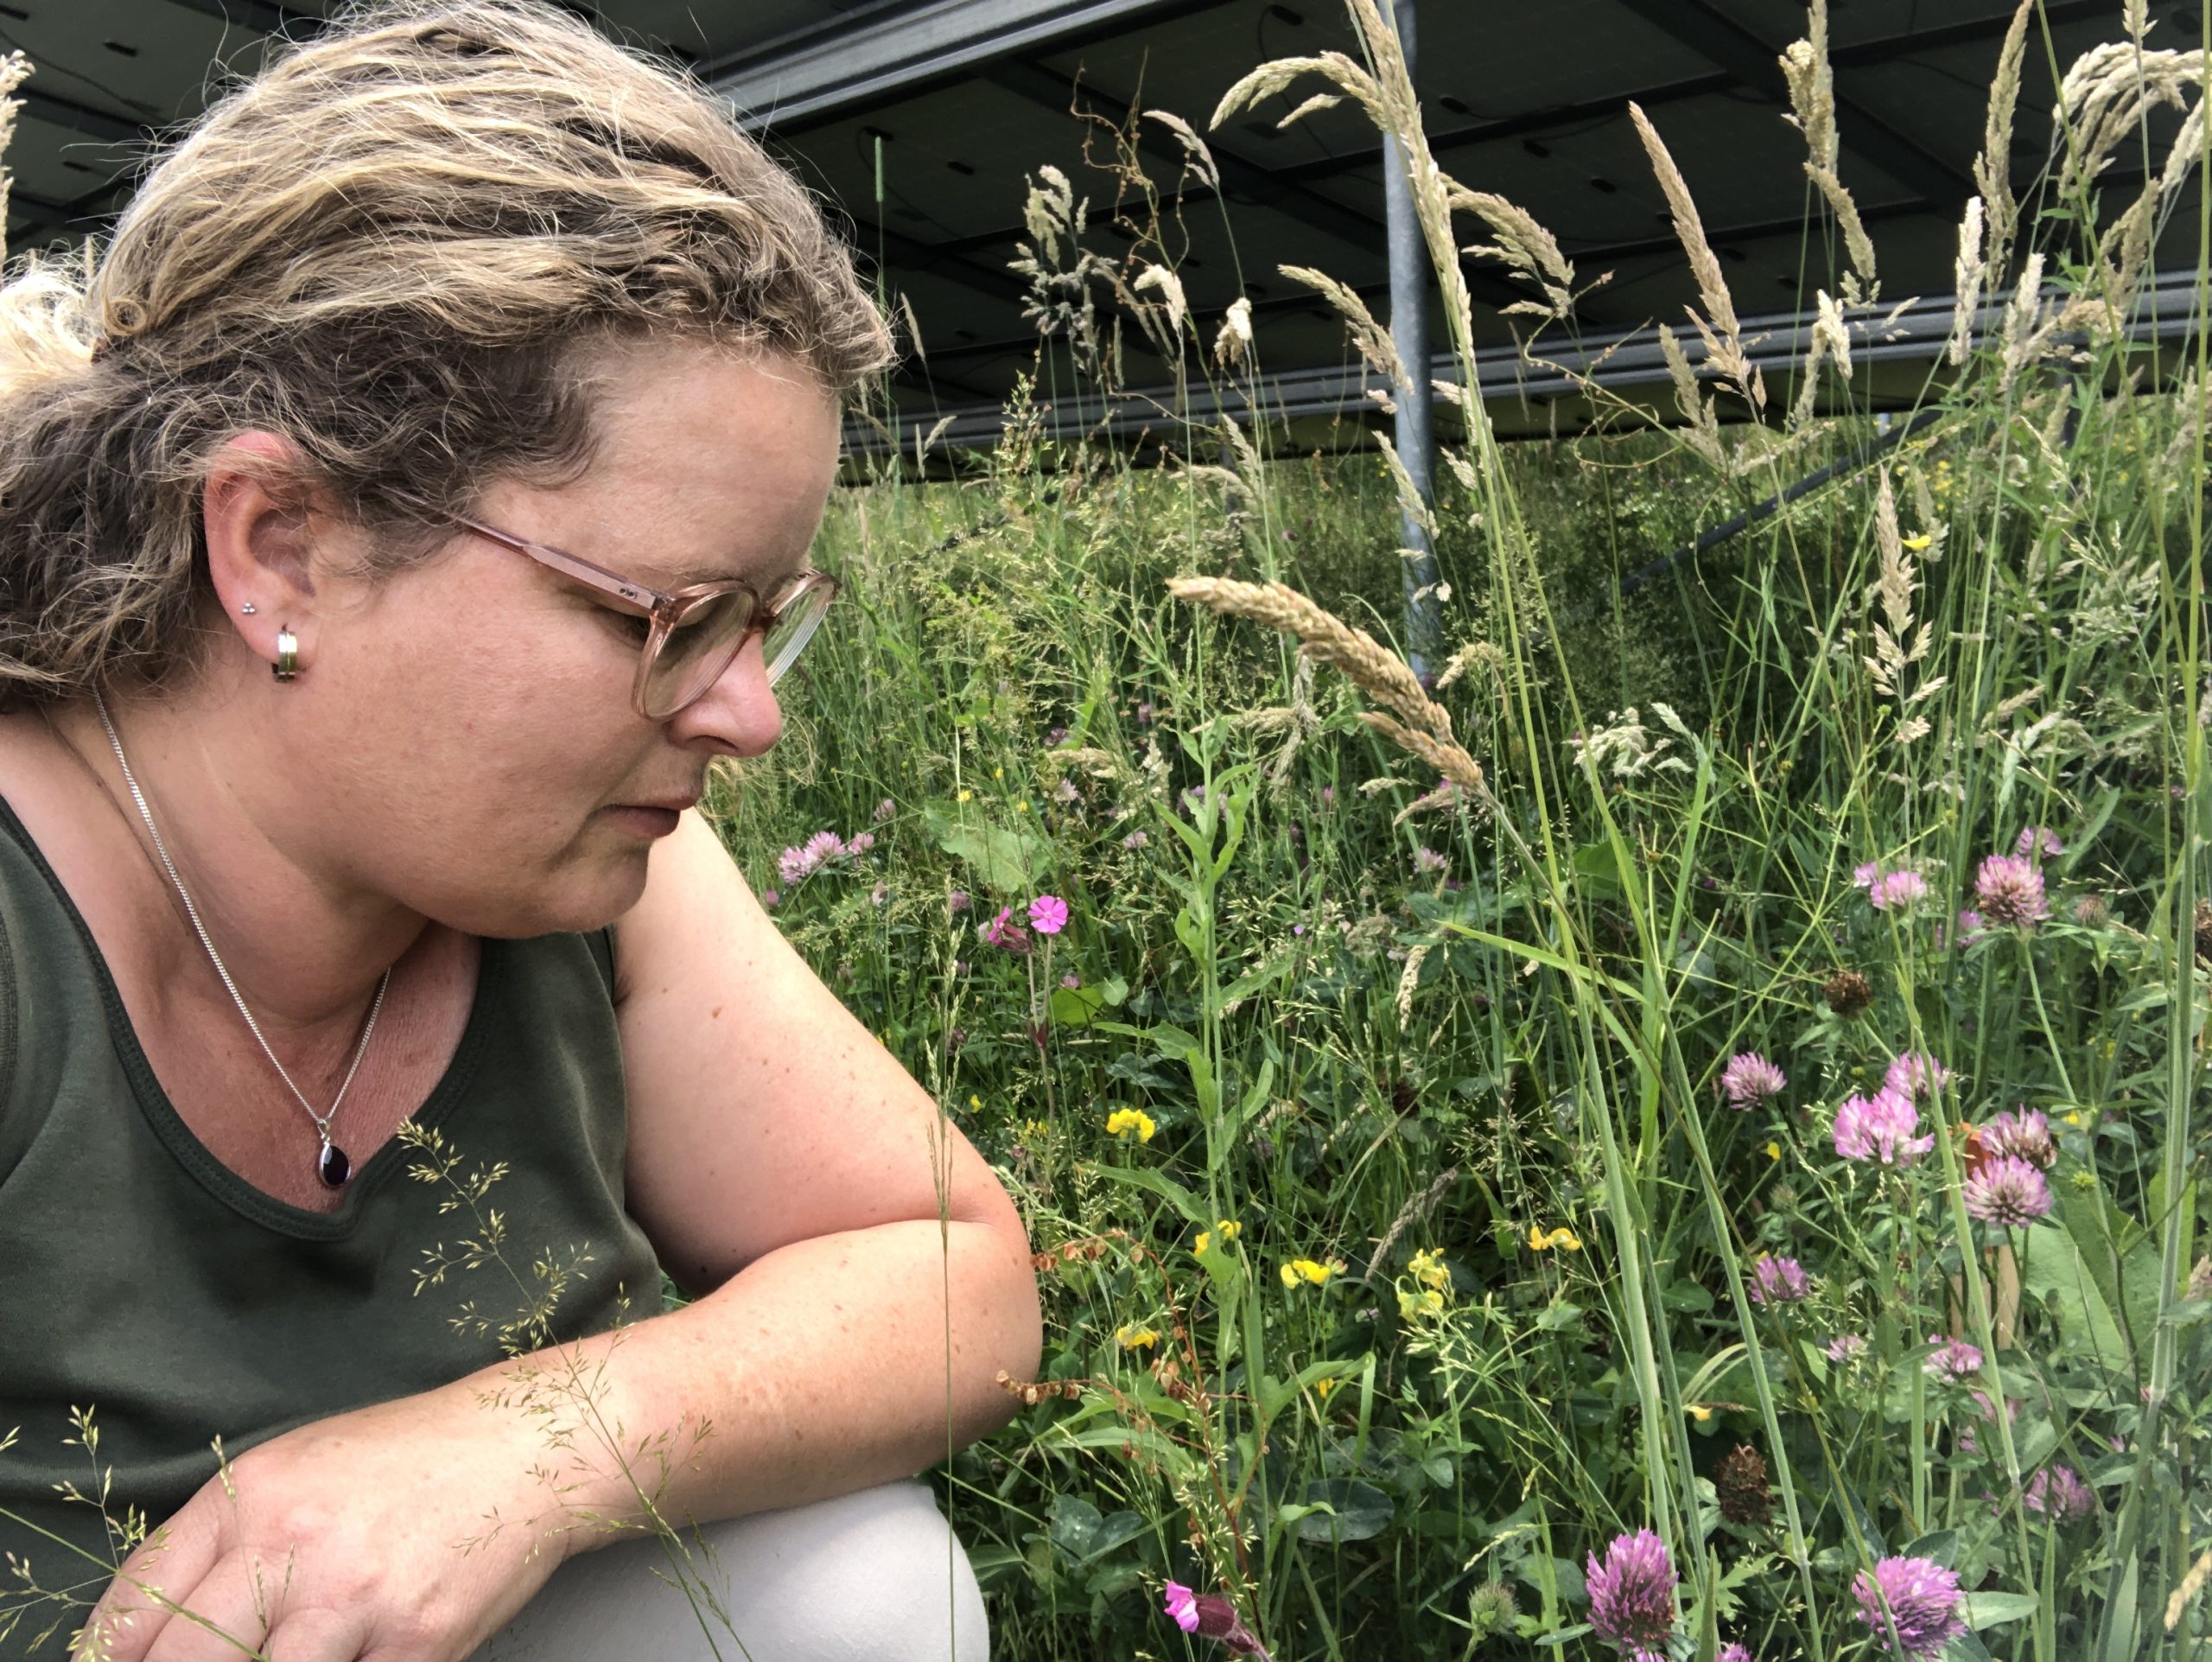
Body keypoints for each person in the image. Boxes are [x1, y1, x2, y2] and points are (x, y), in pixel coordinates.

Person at [0, 3, 1043, 1659]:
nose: (748, 715)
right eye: (674, 615)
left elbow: (948, 1277)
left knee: (859, 1593)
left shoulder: (586, 869)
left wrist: (523, 1450)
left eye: (769, 618)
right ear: (280, 546)